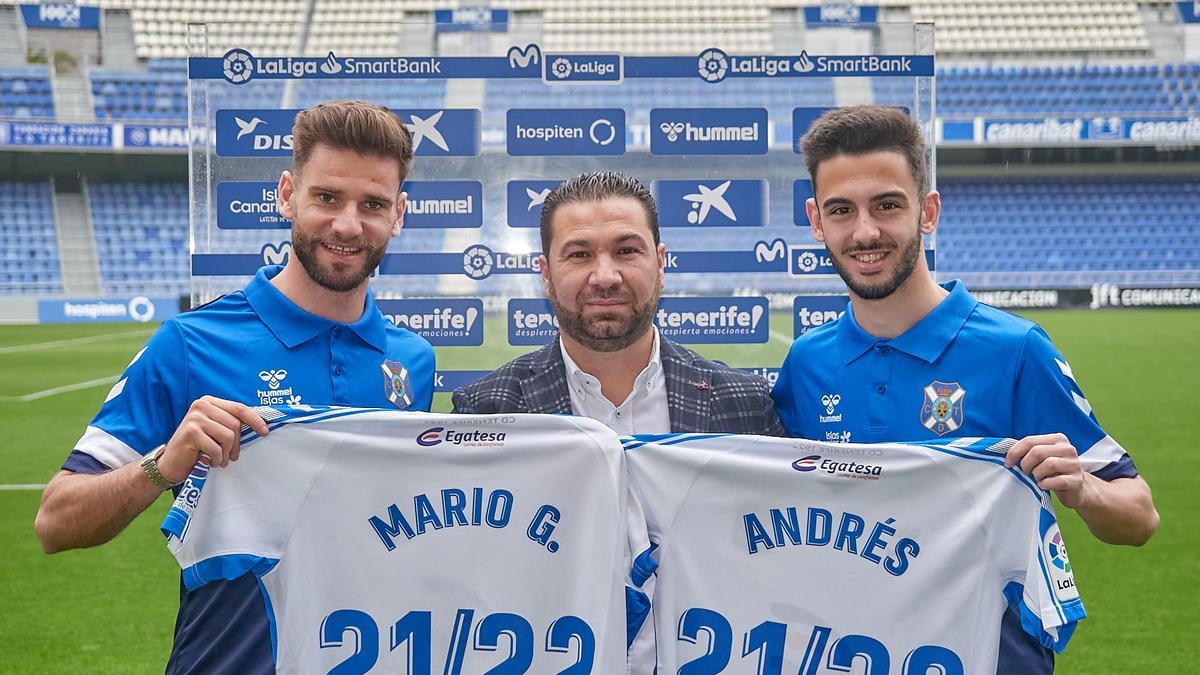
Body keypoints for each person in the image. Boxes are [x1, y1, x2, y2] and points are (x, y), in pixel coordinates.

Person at [34, 100, 435, 673]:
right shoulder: (190, 342)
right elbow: (55, 522)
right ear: (286, 194)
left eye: (371, 205)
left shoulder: (412, 362)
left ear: (398, 215)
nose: (348, 224)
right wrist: (162, 466)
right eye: (326, 198)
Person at [770, 105, 1159, 673]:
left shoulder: (1016, 349)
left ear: (927, 211)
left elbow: (1140, 515)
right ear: (815, 220)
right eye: (841, 210)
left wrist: (1081, 488)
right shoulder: (806, 366)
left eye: (887, 205)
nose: (865, 232)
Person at [453, 171, 784, 436]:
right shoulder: (484, 412)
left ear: (660, 263)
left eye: (626, 251)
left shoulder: (747, 405)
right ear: (546, 274)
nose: (606, 277)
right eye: (580, 255)